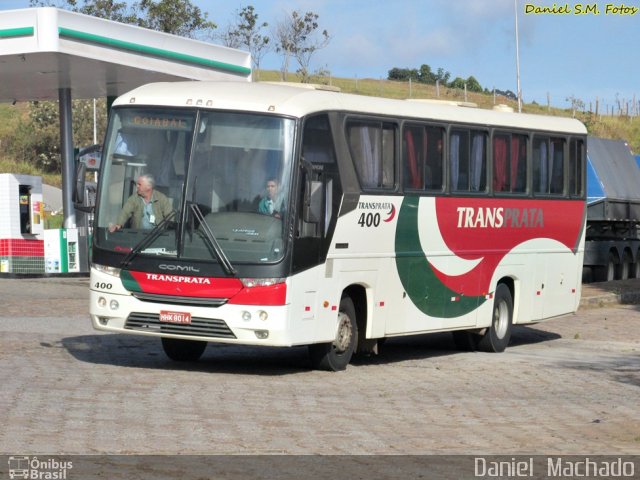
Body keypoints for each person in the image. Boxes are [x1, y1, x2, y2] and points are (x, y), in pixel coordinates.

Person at [108, 174, 173, 232]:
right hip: (138, 237)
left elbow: (170, 216)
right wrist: (118, 224)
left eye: (139, 184)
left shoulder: (161, 198)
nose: (137, 186)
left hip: (156, 237)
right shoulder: (134, 198)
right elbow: (125, 212)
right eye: (137, 184)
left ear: (149, 186)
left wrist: (168, 229)